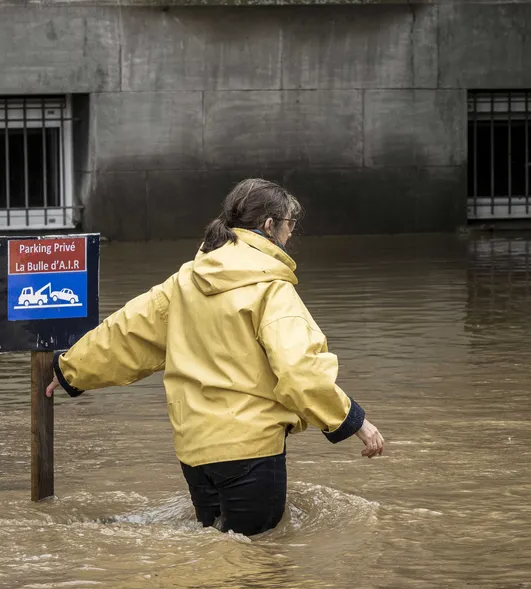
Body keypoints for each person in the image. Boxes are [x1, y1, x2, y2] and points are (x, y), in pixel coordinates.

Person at [46, 178, 385, 536]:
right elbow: (301, 372)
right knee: (259, 562)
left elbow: (126, 334)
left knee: (217, 559)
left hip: (195, 452)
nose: (290, 233)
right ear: (270, 226)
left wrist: (70, 369)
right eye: (289, 224)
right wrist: (353, 421)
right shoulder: (271, 288)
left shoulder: (186, 280)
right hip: (250, 450)